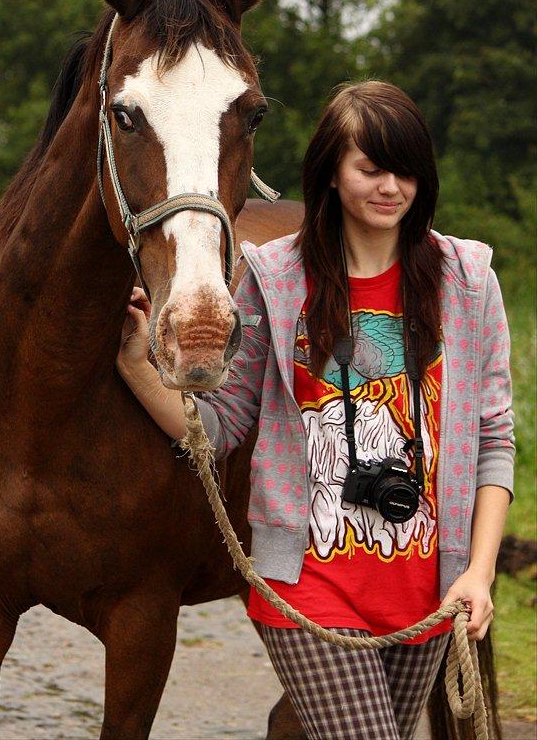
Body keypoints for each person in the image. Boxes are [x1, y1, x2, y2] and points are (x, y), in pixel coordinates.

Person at [115, 80, 514, 740]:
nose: (391, 186)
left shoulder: (466, 281)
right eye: (371, 167)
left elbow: (491, 437)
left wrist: (476, 571)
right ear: (331, 172)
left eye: (405, 169)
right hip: (310, 586)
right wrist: (139, 367)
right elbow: (220, 427)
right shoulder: (274, 279)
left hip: (430, 590)